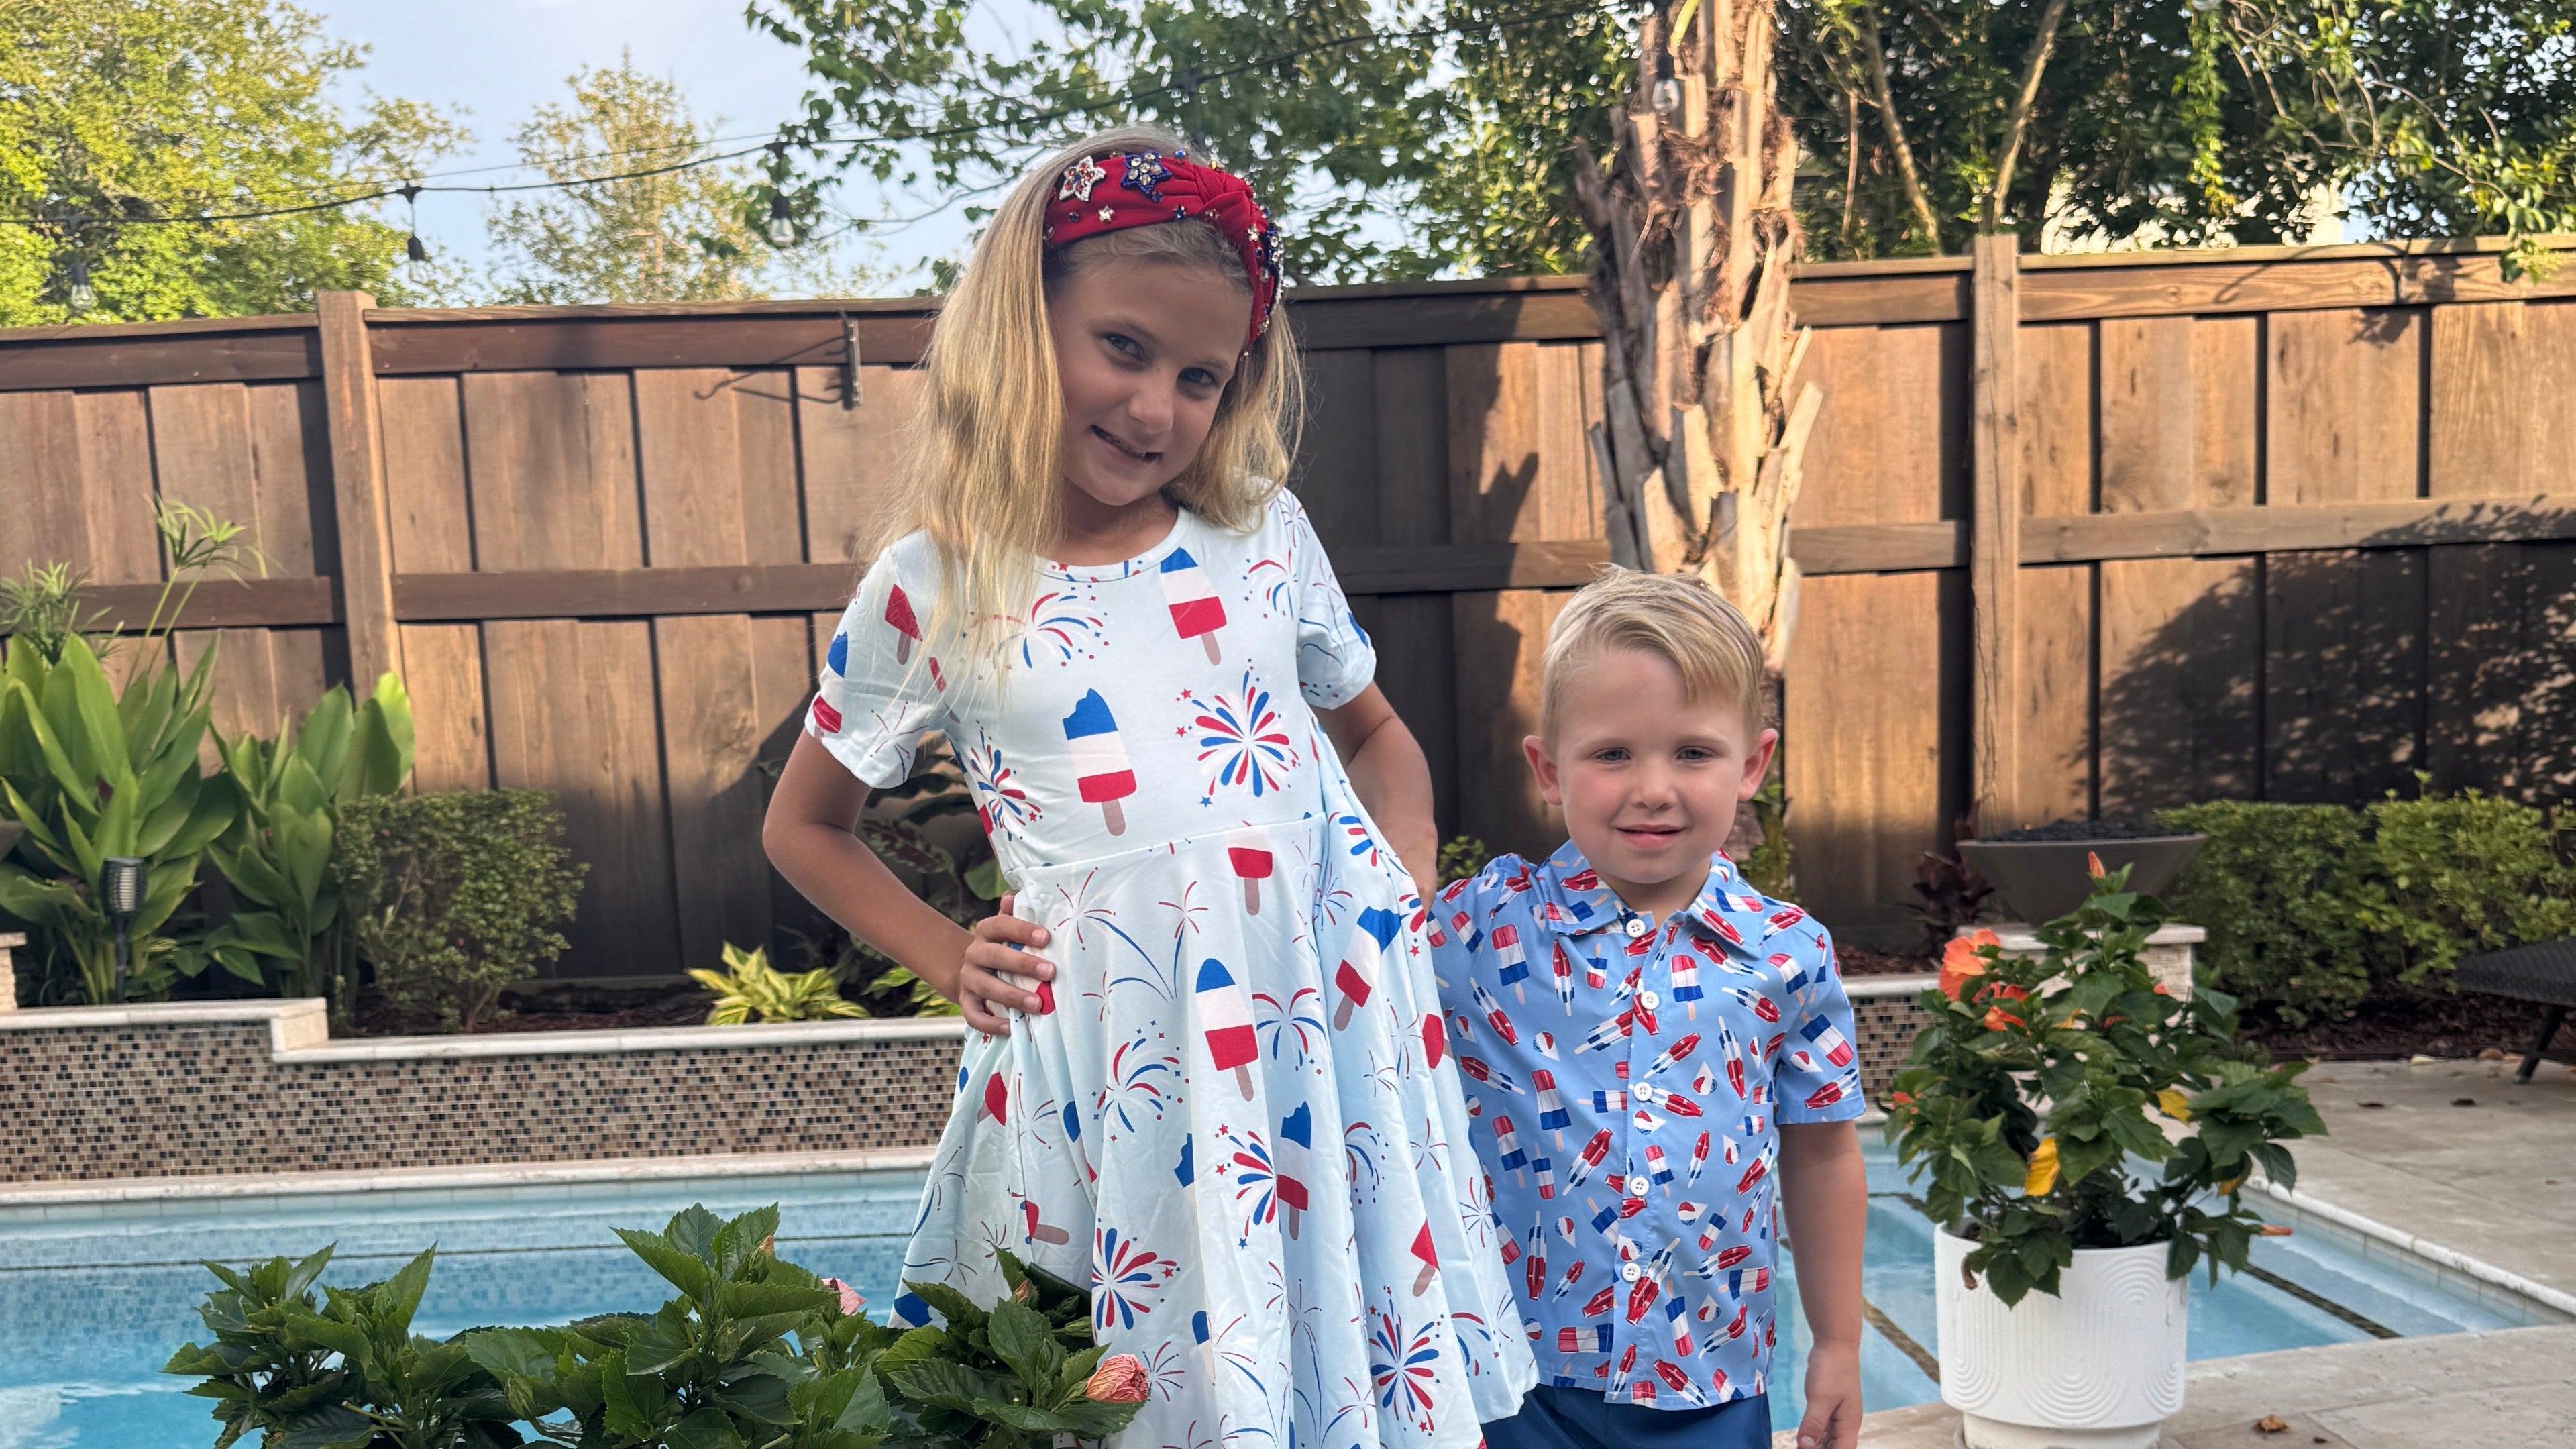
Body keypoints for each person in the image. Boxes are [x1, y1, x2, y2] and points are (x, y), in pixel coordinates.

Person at [761, 125, 1535, 1449]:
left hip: (1319, 1021)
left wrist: (1402, 870)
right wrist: (952, 955)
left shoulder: (1261, 532)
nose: (1157, 407)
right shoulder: (933, 583)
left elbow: (1382, 732)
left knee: (1333, 1360)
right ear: (1022, 323)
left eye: (1200, 376)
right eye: (1121, 348)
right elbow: (804, 826)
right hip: (1120, 1052)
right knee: (1128, 1381)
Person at [1428, 570, 1868, 1449]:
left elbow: (1821, 1154)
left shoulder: (1786, 952)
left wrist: (1840, 1343)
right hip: (1515, 1382)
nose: (1653, 788)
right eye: (1613, 754)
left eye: (1694, 753)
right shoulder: (1474, 932)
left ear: (1753, 765)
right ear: (1549, 770)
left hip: (1712, 1380)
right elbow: (1319, 952)